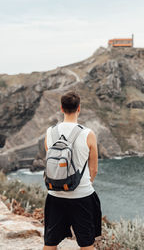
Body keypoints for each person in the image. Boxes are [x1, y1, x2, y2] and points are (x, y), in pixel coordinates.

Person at [43, 91, 102, 250]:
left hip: (55, 195)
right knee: (86, 243)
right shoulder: (88, 134)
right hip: (82, 196)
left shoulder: (50, 132)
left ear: (61, 108)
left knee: (50, 242)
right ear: (79, 109)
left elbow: (51, 162)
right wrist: (84, 184)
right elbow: (94, 168)